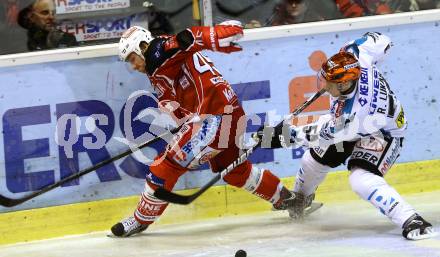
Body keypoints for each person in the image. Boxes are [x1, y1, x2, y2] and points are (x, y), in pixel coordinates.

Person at [111, 21, 297, 237]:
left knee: (166, 166)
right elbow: (178, 98)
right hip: (231, 114)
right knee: (235, 172)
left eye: (132, 58)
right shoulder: (158, 67)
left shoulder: (157, 53)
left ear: (143, 46)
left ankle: (140, 220)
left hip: (212, 120)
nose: (133, 66)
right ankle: (289, 200)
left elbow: (184, 39)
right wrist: (183, 122)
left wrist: (211, 35)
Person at [255, 32, 435, 240]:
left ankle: (411, 219)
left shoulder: (354, 114)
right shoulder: (356, 54)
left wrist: (277, 137)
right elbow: (383, 41)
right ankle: (300, 201)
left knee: (361, 179)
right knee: (312, 160)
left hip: (384, 132)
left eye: (327, 82)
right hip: (359, 123)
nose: (323, 85)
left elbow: (320, 134)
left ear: (342, 85)